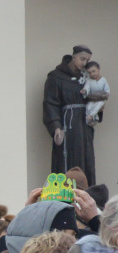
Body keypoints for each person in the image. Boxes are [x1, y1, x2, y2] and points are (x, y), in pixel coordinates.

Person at [44, 46, 97, 184]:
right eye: (82, 59)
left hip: (84, 126)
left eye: (87, 60)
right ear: (73, 57)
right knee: (66, 159)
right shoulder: (56, 77)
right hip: (67, 126)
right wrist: (55, 126)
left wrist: (97, 108)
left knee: (86, 160)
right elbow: (50, 104)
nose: (85, 63)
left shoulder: (86, 78)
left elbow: (93, 98)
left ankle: (86, 193)